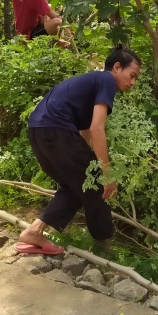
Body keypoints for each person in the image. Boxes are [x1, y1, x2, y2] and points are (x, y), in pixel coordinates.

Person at [15, 47, 142, 255]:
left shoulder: (91, 82)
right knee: (95, 184)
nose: (133, 83)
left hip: (38, 131)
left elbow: (85, 132)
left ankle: (35, 231)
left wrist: (89, 163)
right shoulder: (106, 80)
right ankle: (104, 248)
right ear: (117, 67)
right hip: (56, 130)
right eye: (132, 75)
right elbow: (97, 128)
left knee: (78, 184)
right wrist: (107, 173)